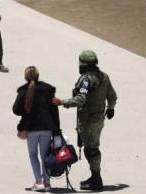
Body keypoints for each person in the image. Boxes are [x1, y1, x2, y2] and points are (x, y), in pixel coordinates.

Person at [52, 50, 117, 191]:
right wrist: (111, 108)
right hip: (99, 118)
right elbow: (112, 96)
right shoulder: (104, 77)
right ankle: (95, 177)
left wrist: (62, 102)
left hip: (88, 120)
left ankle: (96, 179)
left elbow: (81, 99)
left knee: (91, 149)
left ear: (84, 65)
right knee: (92, 147)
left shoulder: (86, 80)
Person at [13, 66, 60, 192]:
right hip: (47, 128)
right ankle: (47, 183)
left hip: (31, 128)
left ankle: (38, 182)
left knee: (33, 155)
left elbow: (16, 110)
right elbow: (54, 111)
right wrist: (57, 130)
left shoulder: (23, 90)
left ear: (26, 77)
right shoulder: (48, 90)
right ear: (38, 76)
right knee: (45, 155)